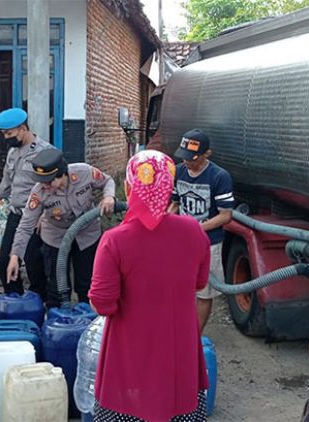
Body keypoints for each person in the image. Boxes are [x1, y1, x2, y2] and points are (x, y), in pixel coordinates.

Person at [89, 150, 210, 421]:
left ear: (130, 186)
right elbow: (199, 284)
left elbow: (102, 303)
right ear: (169, 187)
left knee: (128, 409)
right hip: (179, 349)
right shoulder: (194, 231)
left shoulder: (115, 240)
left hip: (130, 351)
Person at [6, 149, 116, 307]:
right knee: (56, 287)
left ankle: (90, 320)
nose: (45, 186)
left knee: (88, 282)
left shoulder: (84, 172)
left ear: (62, 174)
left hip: (87, 236)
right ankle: (57, 320)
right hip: (55, 238)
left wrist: (109, 196)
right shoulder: (38, 192)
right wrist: (15, 256)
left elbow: (108, 181)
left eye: (50, 181)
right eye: (42, 181)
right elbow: (25, 226)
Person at [0, 107, 52, 299]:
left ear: (22, 129)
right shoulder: (13, 152)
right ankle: (14, 299)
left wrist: (45, 215)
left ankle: (39, 301)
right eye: (4, 134)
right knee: (5, 260)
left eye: (9, 133)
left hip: (36, 218)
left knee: (33, 262)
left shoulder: (46, 152)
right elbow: (6, 183)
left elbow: (54, 188)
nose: (6, 138)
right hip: (16, 215)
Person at [169, 128, 234, 333]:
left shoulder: (219, 177)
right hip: (180, 241)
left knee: (204, 292)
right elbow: (174, 203)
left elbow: (226, 215)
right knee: (178, 287)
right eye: (185, 157)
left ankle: (194, 335)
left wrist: (196, 229)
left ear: (207, 154)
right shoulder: (178, 171)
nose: (188, 162)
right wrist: (167, 220)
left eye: (193, 159)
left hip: (209, 242)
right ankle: (177, 328)